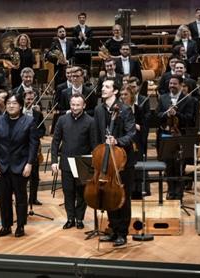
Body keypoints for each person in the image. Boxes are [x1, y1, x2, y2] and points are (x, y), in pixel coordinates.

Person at [0, 93, 39, 238]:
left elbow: (33, 145)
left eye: (14, 103)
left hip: (21, 165)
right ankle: (6, 226)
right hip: (2, 165)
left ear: (21, 106)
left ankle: (20, 226)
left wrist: (29, 164)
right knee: (4, 199)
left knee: (21, 198)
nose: (11, 105)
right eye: (9, 103)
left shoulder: (29, 121)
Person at [94, 79, 135, 247]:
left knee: (122, 197)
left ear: (115, 91)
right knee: (108, 195)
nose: (103, 89)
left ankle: (122, 233)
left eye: (107, 87)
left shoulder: (125, 110)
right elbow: (97, 133)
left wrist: (117, 140)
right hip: (105, 159)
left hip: (122, 160)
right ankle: (113, 229)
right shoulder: (98, 109)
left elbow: (131, 134)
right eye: (103, 86)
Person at [51, 93, 96, 229]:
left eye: (78, 105)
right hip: (66, 161)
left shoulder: (90, 121)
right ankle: (70, 218)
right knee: (68, 191)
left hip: (83, 162)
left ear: (84, 105)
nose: (75, 107)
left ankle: (80, 219)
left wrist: (93, 164)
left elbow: (94, 144)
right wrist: (54, 161)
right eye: (73, 104)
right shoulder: (62, 120)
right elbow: (55, 141)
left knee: (82, 193)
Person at [156, 75, 195, 200]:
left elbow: (190, 118)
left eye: (174, 83)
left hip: (180, 135)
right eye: (170, 83)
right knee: (168, 165)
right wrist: (166, 114)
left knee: (179, 165)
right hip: (166, 135)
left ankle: (178, 192)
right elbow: (157, 116)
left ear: (181, 85)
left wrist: (176, 113)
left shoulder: (187, 100)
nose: (172, 86)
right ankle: (170, 191)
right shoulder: (163, 98)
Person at [23, 89, 46, 206]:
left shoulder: (37, 114)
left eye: (32, 99)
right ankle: (22, 198)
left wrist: (36, 134)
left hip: (34, 148)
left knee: (35, 176)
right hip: (21, 148)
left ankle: (33, 198)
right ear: (23, 99)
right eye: (28, 99)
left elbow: (43, 130)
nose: (30, 102)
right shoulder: (18, 113)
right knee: (22, 177)